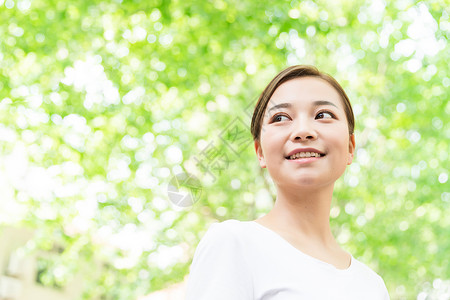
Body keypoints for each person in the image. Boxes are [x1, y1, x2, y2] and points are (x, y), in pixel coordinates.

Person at [185, 65, 390, 299]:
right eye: (280, 117)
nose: (303, 131)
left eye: (323, 114)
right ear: (260, 151)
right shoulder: (234, 243)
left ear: (350, 147)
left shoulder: (373, 285)